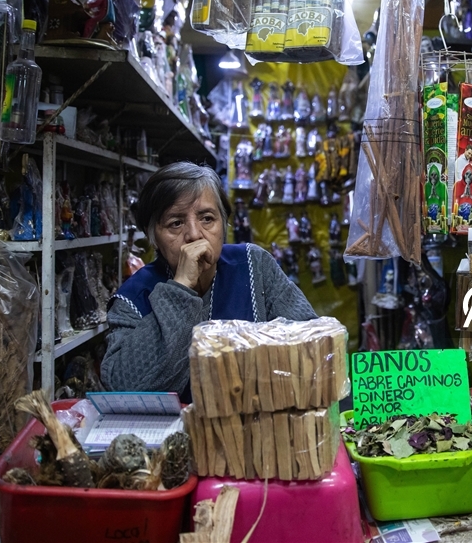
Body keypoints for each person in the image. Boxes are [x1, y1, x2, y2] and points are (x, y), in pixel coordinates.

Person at [101, 162, 318, 400]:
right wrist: (180, 288)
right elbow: (121, 390)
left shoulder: (254, 264)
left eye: (207, 218)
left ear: (223, 225)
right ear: (153, 237)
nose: (194, 234)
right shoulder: (132, 297)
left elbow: (312, 344)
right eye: (176, 223)